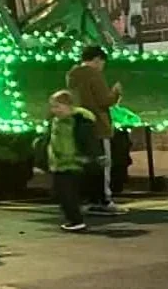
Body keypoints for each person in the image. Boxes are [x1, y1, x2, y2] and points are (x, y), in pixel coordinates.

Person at [66, 45, 125, 215]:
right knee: (103, 164)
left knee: (87, 164)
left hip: (80, 124)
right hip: (98, 125)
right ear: (97, 59)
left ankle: (89, 200)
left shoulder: (72, 75)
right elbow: (103, 100)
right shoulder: (94, 74)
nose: (102, 67)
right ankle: (104, 200)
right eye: (102, 63)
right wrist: (115, 93)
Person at [42, 90, 102, 232]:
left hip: (73, 161)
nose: (55, 110)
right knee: (61, 193)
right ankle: (74, 219)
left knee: (67, 193)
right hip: (58, 162)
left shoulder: (79, 121)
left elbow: (89, 141)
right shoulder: (55, 121)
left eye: (58, 106)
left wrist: (91, 157)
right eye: (53, 106)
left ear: (69, 105)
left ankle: (76, 220)